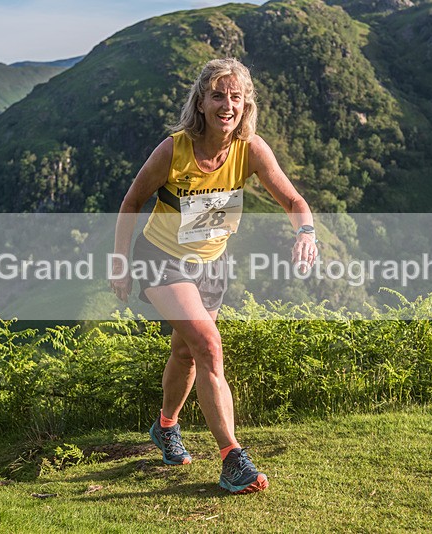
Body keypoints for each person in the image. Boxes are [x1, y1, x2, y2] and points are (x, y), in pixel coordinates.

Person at [109, 57, 318, 494]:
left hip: (212, 264)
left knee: (187, 352)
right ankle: (231, 458)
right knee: (208, 343)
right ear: (201, 102)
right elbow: (131, 202)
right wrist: (119, 261)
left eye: (236, 97)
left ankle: (165, 427)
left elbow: (295, 200)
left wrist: (306, 233)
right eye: (218, 95)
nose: (227, 105)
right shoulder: (173, 149)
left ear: (246, 106)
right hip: (161, 259)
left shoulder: (251, 149)